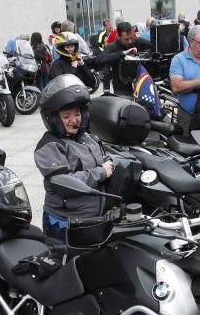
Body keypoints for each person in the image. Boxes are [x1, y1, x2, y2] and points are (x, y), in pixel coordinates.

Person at [33, 74, 131, 241]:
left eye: (77, 113)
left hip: (94, 217)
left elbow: (103, 157)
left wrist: (110, 162)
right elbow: (63, 182)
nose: (74, 120)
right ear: (54, 119)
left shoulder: (87, 137)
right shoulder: (49, 146)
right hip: (65, 223)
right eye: (66, 116)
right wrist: (101, 172)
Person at [104, 21, 152, 96]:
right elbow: (105, 67)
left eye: (131, 38)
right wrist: (106, 91)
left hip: (141, 86)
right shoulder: (112, 48)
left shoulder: (137, 41)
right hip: (121, 90)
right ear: (118, 36)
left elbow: (154, 45)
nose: (129, 41)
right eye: (126, 39)